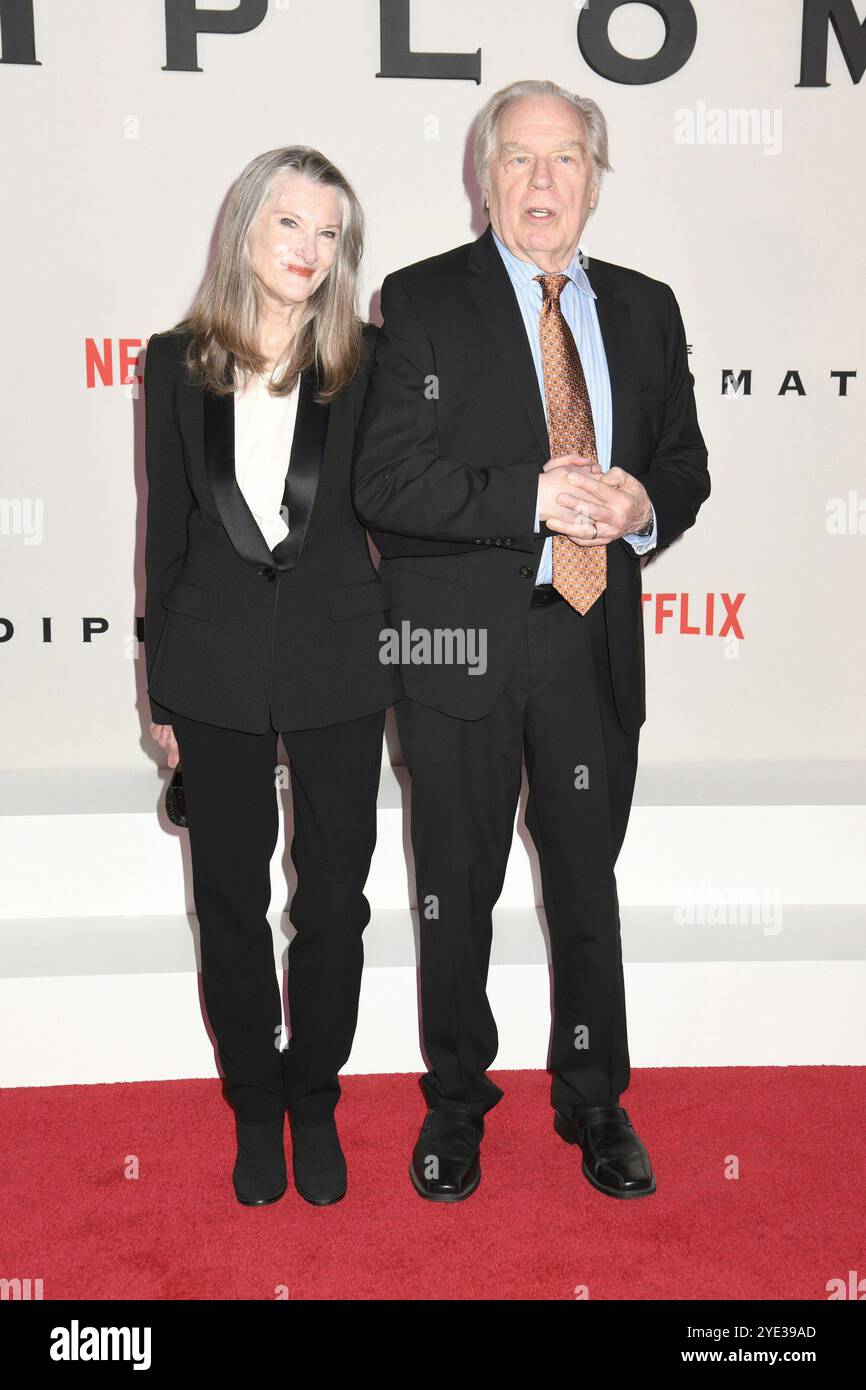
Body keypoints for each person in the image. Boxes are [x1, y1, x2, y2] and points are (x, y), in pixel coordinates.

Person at [353, 80, 710, 1202]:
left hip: (587, 639)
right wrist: (534, 498)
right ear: (483, 177)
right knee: (452, 887)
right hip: (453, 642)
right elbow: (384, 478)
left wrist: (637, 503)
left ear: (595, 180)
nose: (542, 182)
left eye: (565, 160)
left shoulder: (647, 308)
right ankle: (455, 1105)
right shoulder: (417, 302)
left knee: (585, 885)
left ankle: (594, 1098)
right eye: (518, 159)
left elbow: (686, 465)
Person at [144, 146, 400, 1207]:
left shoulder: (369, 361)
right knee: (231, 901)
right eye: (289, 224)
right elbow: (166, 526)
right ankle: (254, 1100)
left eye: (329, 232)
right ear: (245, 229)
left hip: (341, 660)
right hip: (209, 666)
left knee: (335, 901)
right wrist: (158, 691)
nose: (308, 249)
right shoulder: (173, 360)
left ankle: (312, 1094)